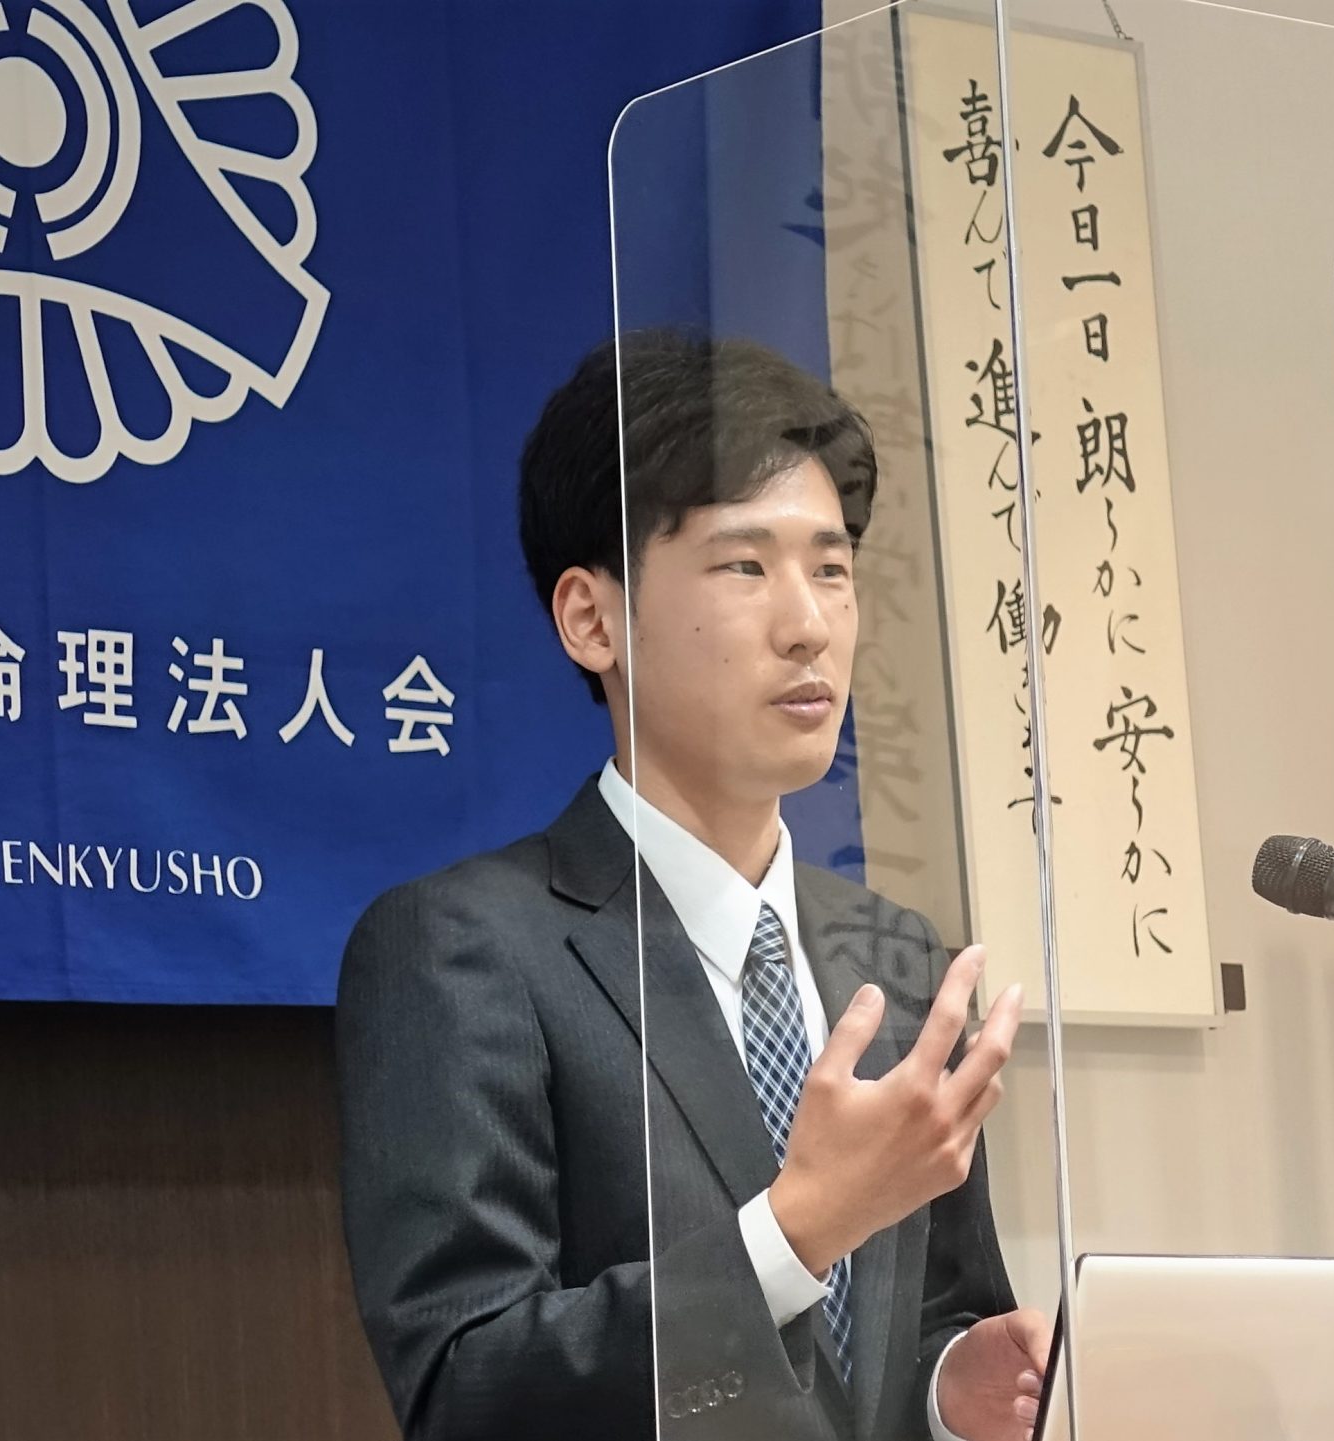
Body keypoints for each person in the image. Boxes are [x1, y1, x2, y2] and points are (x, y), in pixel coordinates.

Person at [338, 332, 1050, 1441]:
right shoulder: (463, 948)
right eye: (743, 566)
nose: (808, 625)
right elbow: (465, 1386)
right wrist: (792, 1233)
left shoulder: (896, 952)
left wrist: (952, 1387)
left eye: (831, 569)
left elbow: (915, 1333)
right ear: (592, 619)